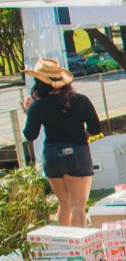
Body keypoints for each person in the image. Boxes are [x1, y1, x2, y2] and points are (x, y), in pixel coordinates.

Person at [20, 58, 100, 227]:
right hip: (77, 153)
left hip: (52, 156)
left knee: (64, 205)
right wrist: (82, 136)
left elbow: (30, 135)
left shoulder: (37, 106)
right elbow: (95, 128)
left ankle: (65, 242)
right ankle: (79, 244)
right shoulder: (80, 100)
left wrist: (29, 113)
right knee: (78, 207)